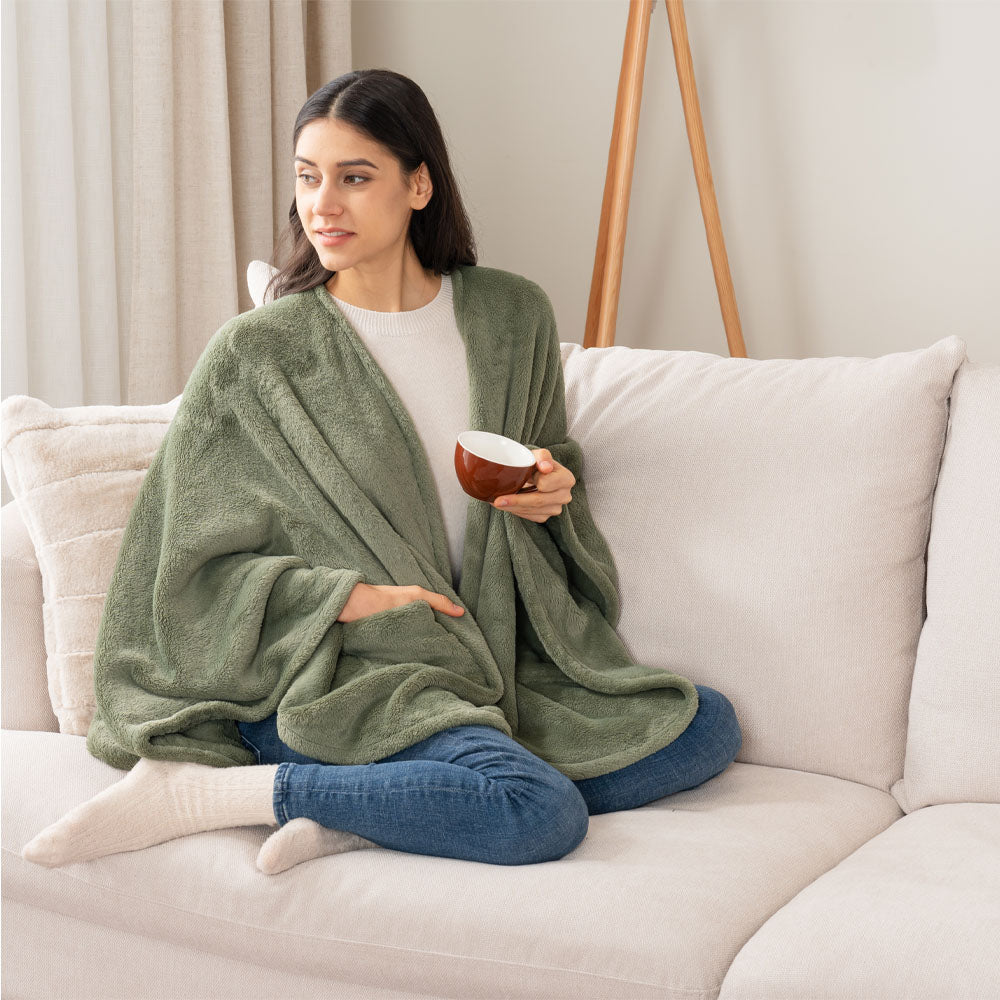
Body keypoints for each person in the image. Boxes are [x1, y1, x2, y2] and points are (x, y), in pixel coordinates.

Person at [22, 69, 742, 875]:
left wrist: (550, 492)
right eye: (307, 177)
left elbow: (539, 466)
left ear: (420, 183)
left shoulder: (513, 316)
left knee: (705, 724)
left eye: (354, 178)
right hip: (351, 665)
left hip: (495, 653)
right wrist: (348, 600)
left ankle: (384, 809)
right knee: (534, 811)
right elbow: (183, 566)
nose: (321, 205)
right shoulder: (260, 354)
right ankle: (217, 795)